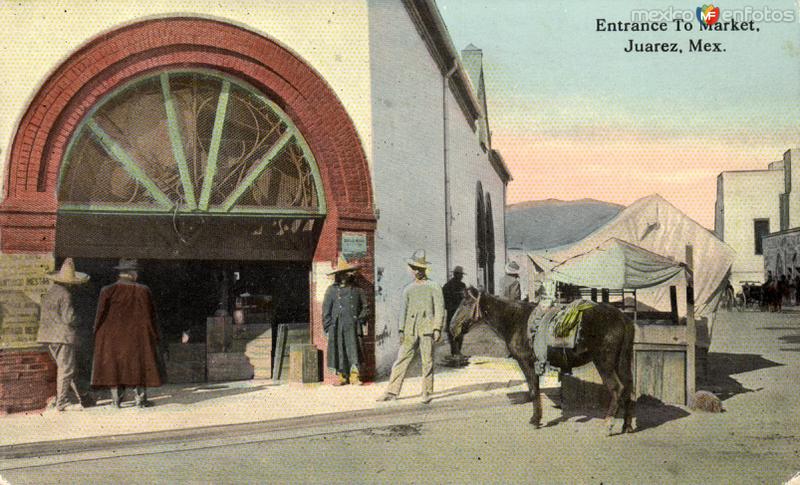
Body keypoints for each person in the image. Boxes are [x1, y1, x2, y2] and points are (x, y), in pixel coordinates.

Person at [92, 259, 162, 408]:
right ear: (133, 274)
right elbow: (151, 316)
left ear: (120, 274)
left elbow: (99, 316)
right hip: (137, 337)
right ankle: (140, 400)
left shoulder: (107, 290)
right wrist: (155, 334)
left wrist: (97, 334)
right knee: (138, 365)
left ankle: (116, 401)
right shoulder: (143, 290)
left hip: (112, 338)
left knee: (115, 367)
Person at [377, 250, 444, 404]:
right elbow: (403, 311)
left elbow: (439, 309)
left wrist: (437, 329)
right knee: (401, 359)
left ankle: (426, 392)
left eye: (420, 269)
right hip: (410, 330)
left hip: (427, 329)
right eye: (414, 268)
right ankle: (392, 391)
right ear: (412, 270)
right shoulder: (408, 289)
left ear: (424, 269)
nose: (417, 272)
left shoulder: (434, 287)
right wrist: (401, 330)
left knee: (427, 361)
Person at [37, 258, 93, 411]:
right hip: (63, 337)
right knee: (67, 369)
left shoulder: (49, 293)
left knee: (67, 368)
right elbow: (69, 318)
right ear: (69, 282)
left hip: (47, 337)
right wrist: (81, 320)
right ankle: (62, 402)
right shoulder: (65, 294)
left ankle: (83, 397)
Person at [323, 255, 370, 386]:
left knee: (354, 350)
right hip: (337, 326)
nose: (344, 276)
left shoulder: (357, 290)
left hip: (353, 326)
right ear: (337, 275)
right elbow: (326, 310)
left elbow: (366, 307)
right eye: (341, 274)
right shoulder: (331, 290)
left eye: (345, 274)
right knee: (339, 350)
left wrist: (359, 320)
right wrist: (327, 328)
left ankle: (355, 376)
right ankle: (342, 376)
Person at [442, 265, 467, 357]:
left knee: (458, 333)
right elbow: (444, 301)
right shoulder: (447, 286)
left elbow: (466, 299)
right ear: (455, 274)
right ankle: (455, 352)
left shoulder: (462, 285)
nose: (461, 276)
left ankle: (456, 352)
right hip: (453, 313)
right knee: (454, 333)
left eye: (461, 275)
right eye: (460, 274)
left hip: (458, 313)